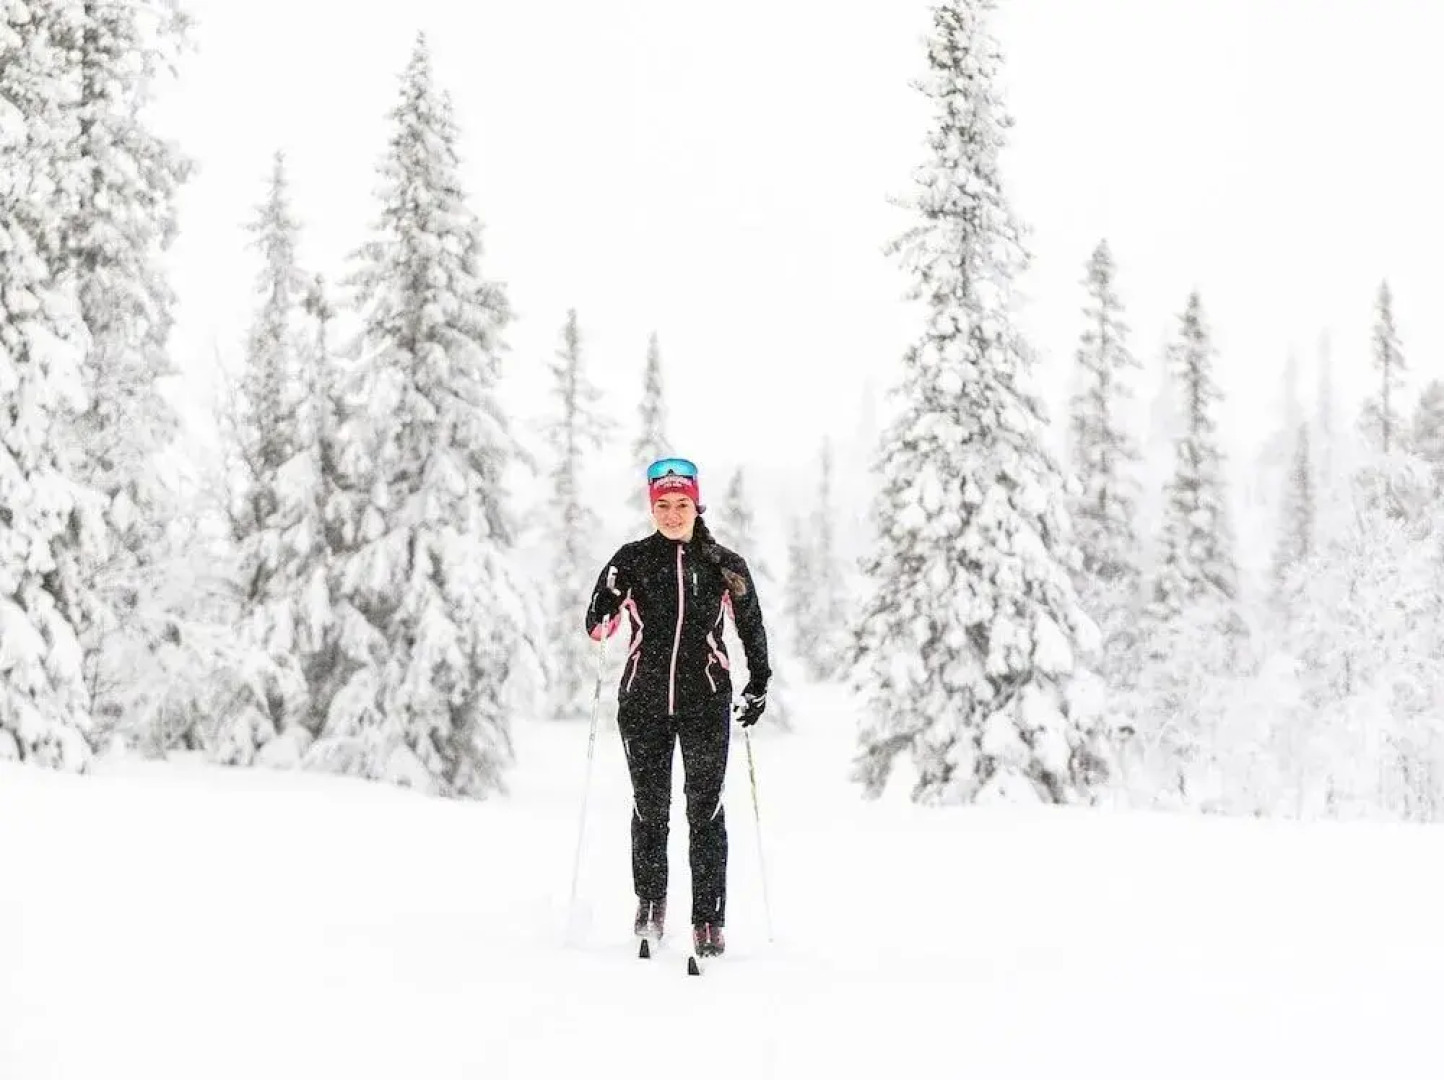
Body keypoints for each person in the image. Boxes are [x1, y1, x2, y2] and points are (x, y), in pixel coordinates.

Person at [583, 457, 771, 958]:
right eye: (662, 505)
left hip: (705, 701)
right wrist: (603, 602)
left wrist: (760, 683)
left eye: (680, 504)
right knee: (650, 809)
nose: (671, 514)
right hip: (642, 702)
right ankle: (650, 904)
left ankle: (708, 919)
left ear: (695, 505)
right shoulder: (631, 559)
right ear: (652, 508)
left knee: (705, 809)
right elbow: (598, 629)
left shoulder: (724, 564)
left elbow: (751, 626)